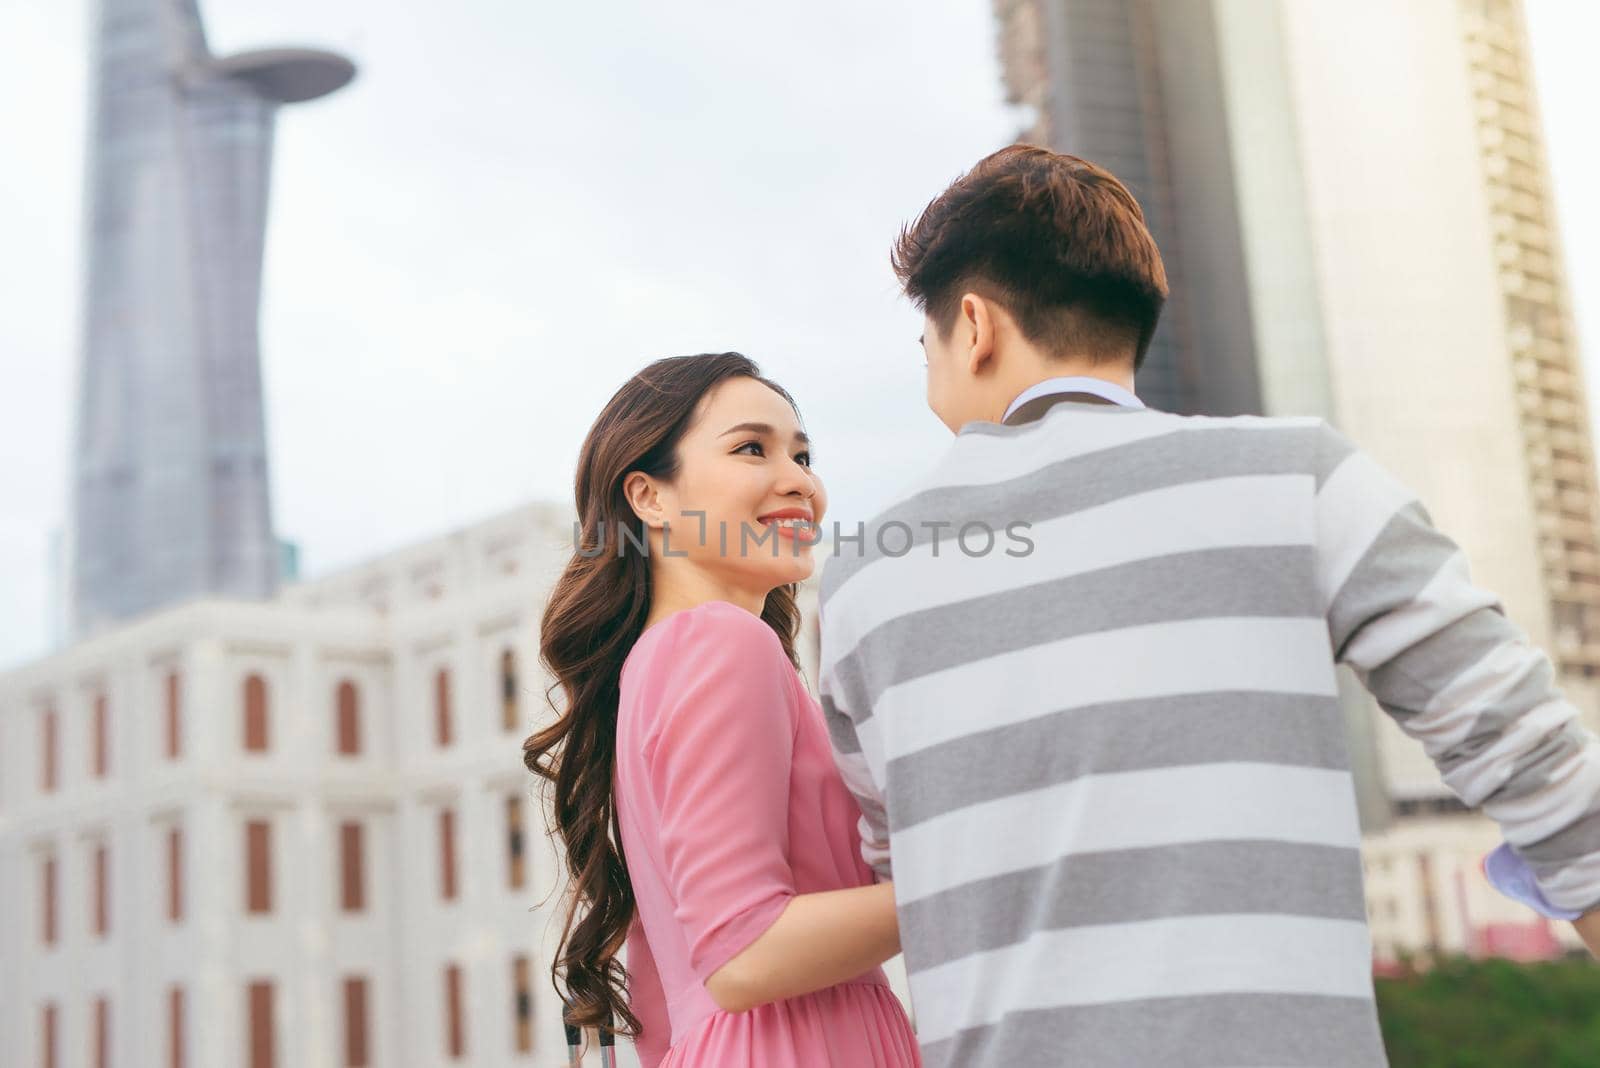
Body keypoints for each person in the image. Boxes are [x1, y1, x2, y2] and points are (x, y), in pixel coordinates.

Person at [815, 143, 1600, 1068]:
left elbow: (900, 866)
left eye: (928, 345)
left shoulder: (865, 576)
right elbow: (1548, 780)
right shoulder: (1301, 478)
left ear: (975, 326)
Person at [524, 352, 920, 1067]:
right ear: (649, 498)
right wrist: (971, 881)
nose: (800, 480)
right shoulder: (718, 642)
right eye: (751, 449)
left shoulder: (658, 664)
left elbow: (665, 995)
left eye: (803, 455)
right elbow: (744, 952)